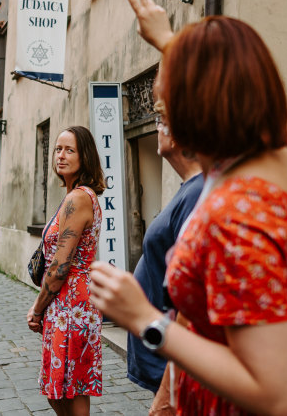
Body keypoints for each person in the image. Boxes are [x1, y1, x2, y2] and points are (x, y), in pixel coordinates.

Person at [88, 0, 287, 415]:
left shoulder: (234, 218)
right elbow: (228, 83)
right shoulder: (282, 158)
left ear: (198, 109)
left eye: (164, 110)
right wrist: (169, 41)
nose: (165, 121)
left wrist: (145, 320)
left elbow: (271, 393)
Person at [26, 126, 106, 416]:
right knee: (67, 388)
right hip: (72, 301)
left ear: (84, 156)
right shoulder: (77, 195)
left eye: (69, 150)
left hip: (71, 302)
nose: (60, 155)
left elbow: (60, 267)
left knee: (65, 390)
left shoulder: (77, 199)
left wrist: (37, 309)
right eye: (57, 149)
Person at [126, 108, 203, 401]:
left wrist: (168, 393)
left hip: (175, 371)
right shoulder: (188, 189)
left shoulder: (197, 193)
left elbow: (192, 301)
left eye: (160, 119)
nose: (157, 127)